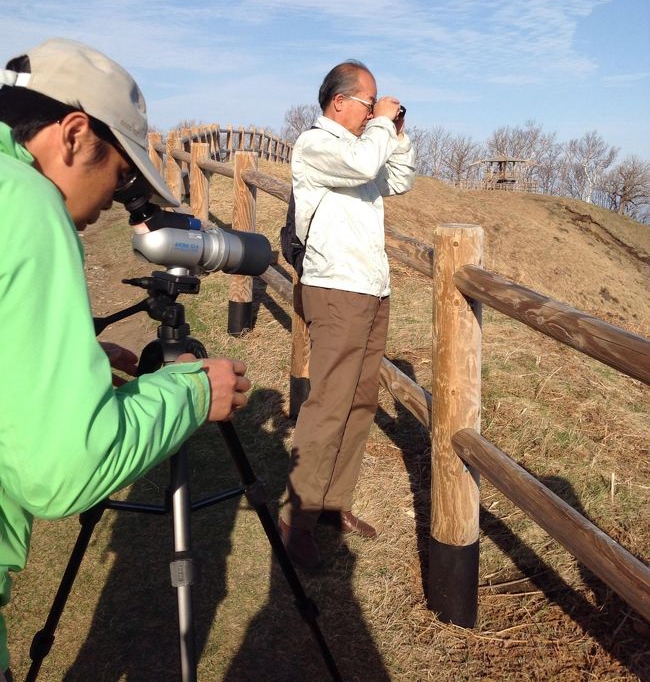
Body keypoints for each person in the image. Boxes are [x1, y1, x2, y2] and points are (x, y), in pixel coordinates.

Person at [0, 38, 251, 680]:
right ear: (75, 134)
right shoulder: (27, 205)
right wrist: (193, 393)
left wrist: (63, 353)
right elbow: (64, 473)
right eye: (121, 172)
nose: (119, 199)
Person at [279, 59, 416, 568]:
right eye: (368, 101)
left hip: (370, 289)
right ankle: (297, 518)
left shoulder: (365, 146)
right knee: (329, 404)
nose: (374, 110)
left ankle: (333, 505)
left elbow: (397, 180)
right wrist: (381, 126)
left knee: (359, 403)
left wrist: (395, 133)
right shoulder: (316, 145)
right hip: (335, 289)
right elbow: (362, 167)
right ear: (339, 102)